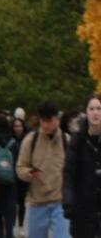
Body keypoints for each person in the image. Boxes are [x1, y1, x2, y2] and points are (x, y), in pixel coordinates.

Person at [16, 100, 70, 238]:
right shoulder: (31, 140)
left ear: (57, 119)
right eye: (42, 120)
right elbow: (20, 167)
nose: (45, 124)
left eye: (48, 120)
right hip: (37, 203)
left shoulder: (67, 141)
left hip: (60, 202)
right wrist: (30, 173)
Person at [62, 93, 101, 238]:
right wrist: (68, 201)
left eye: (98, 108)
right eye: (91, 109)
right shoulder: (77, 140)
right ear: (86, 112)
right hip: (83, 208)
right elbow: (69, 173)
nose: (95, 112)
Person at [12, 117, 30, 235]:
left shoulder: (27, 140)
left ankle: (22, 225)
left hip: (23, 176)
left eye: (20, 126)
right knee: (14, 201)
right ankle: (14, 225)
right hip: (12, 175)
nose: (18, 128)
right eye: (16, 126)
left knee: (22, 201)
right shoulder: (10, 140)